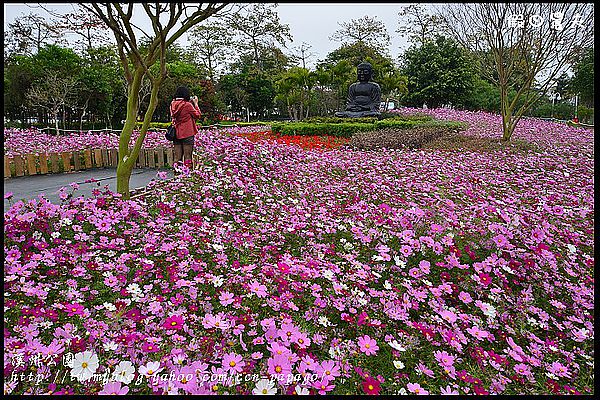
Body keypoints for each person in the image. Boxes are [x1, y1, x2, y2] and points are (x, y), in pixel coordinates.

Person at [170, 86, 201, 168]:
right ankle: (187, 176)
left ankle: (176, 175)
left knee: (177, 157)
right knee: (187, 157)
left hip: (176, 133)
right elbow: (197, 115)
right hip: (187, 132)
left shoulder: (172, 104)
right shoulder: (188, 105)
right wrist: (196, 104)